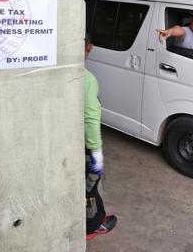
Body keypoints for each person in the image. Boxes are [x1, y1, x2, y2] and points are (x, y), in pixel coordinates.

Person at [84, 34, 117, 241]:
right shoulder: (86, 78)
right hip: (85, 148)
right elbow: (90, 117)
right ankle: (93, 225)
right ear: (90, 48)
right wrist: (96, 153)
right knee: (90, 189)